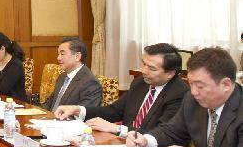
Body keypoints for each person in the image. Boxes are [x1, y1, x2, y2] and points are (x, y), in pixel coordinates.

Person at [127, 47, 243, 147]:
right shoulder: (192, 100)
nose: (193, 92)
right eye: (190, 83)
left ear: (226, 84)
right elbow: (172, 131)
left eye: (200, 86)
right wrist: (146, 140)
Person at [55, 43, 188, 137]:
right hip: (124, 144)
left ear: (170, 73)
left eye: (151, 68)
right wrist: (78, 109)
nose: (143, 71)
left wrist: (117, 129)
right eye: (143, 64)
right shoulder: (140, 83)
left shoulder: (179, 94)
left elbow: (161, 133)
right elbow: (114, 111)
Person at [41, 37, 102, 112]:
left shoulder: (90, 83)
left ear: (77, 56)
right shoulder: (62, 76)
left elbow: (84, 114)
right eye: (58, 54)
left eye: (62, 54)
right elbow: (49, 104)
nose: (58, 58)